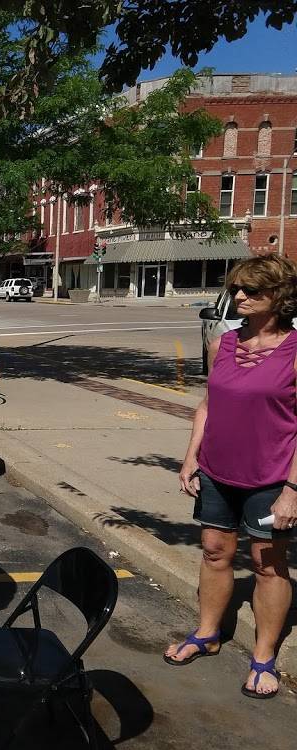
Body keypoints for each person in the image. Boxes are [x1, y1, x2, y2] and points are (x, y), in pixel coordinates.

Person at [166, 255, 297, 700]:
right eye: (236, 289)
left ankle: (263, 657)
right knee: (214, 552)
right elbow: (208, 404)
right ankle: (207, 633)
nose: (238, 297)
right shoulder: (221, 344)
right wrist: (190, 458)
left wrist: (292, 490)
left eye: (251, 290)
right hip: (218, 472)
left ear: (278, 297)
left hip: (271, 478)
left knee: (267, 565)